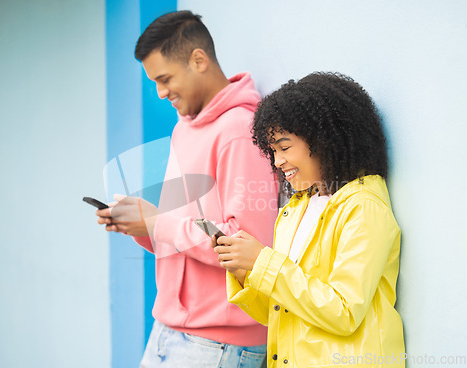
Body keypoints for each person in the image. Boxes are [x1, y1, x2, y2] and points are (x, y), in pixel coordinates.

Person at [96, 10, 278, 368]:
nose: (161, 93)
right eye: (155, 83)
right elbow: (182, 234)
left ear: (199, 60)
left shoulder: (239, 132)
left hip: (220, 344)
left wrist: (158, 222)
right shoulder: (184, 129)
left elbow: (246, 248)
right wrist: (142, 226)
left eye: (165, 79)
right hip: (168, 329)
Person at [213, 73, 406, 367]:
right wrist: (247, 270)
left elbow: (345, 312)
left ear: (324, 139)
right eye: (273, 151)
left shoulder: (364, 207)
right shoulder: (296, 208)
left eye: (284, 148)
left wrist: (263, 263)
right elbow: (281, 311)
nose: (277, 162)